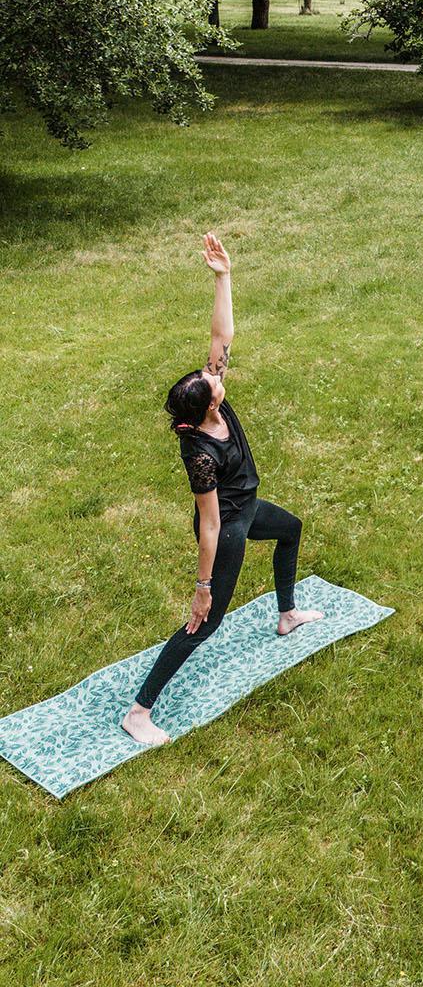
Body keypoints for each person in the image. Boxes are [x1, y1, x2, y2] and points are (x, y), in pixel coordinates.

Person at [121, 234, 323, 747]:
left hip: (248, 507)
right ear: (209, 407)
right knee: (205, 625)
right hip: (229, 526)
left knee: (291, 530)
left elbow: (220, 334)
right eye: (213, 382)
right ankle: (139, 712)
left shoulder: (205, 401)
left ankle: (286, 615)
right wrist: (202, 587)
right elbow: (209, 525)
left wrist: (223, 276)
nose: (215, 375)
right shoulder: (200, 457)